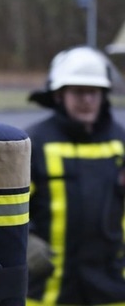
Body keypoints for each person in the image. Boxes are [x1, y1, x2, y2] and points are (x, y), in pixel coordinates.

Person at [26, 45, 125, 305]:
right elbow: (8, 208)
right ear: (59, 95)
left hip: (111, 288)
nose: (87, 100)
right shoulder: (33, 144)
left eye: (93, 92)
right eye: (78, 92)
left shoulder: (121, 143)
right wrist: (23, 240)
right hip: (47, 290)